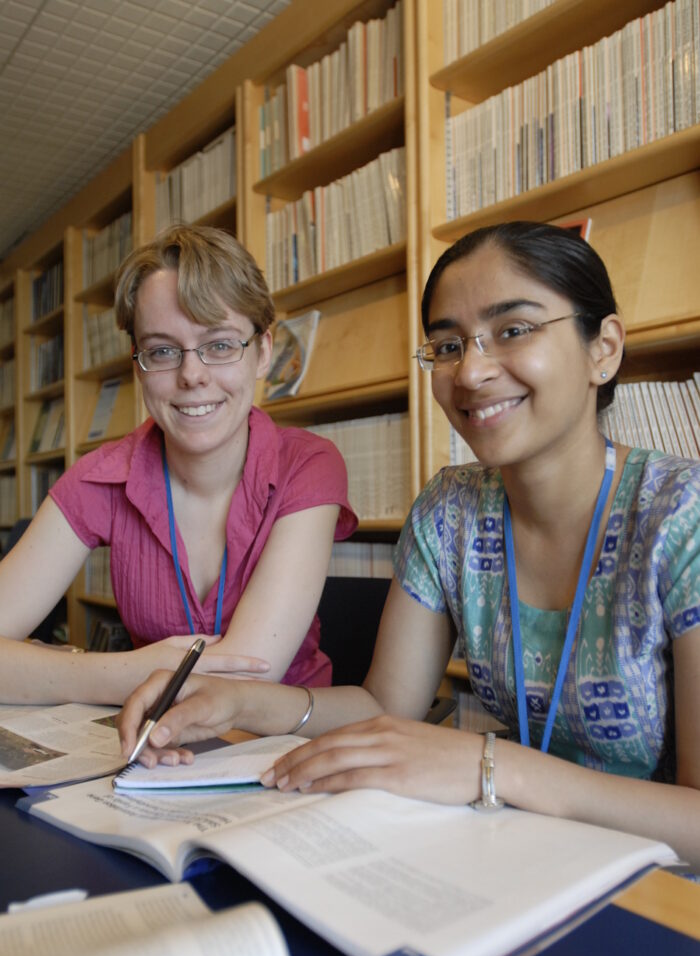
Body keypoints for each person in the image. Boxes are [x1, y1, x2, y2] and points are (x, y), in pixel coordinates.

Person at [117, 221, 700, 870]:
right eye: (448, 345)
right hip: (519, 855)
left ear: (604, 349)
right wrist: (237, 700)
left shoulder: (683, 516)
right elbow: (383, 707)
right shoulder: (450, 511)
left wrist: (491, 765)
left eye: (513, 330)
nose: (471, 371)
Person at [0, 224, 356, 703]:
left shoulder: (307, 464)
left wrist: (90, 670)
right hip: (153, 733)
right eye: (163, 351)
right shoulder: (100, 478)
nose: (192, 375)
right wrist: (132, 672)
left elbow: (247, 679)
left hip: (287, 741)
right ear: (138, 364)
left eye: (220, 345)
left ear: (263, 353)